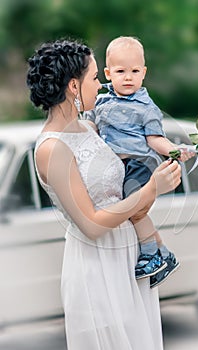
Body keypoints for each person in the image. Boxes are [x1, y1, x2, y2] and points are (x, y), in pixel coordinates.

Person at [27, 39, 182, 350]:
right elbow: (92, 224)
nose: (101, 85)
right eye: (95, 77)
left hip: (128, 259)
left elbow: (117, 191)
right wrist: (153, 188)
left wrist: (155, 179)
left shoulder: (89, 128)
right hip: (97, 267)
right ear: (73, 86)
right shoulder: (51, 148)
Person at [85, 36, 195, 288]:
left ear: (143, 73)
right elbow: (90, 124)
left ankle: (150, 254)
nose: (128, 77)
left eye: (134, 71)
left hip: (139, 164)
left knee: (134, 209)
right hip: (116, 167)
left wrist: (174, 150)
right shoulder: (101, 100)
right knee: (129, 210)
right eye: (121, 71)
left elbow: (155, 138)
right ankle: (165, 254)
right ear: (108, 73)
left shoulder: (146, 107)